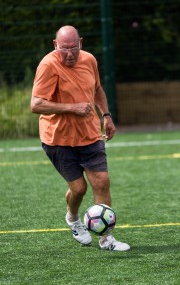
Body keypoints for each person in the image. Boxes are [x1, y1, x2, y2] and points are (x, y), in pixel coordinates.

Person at [31, 25, 130, 251]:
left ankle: (107, 239)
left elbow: (97, 89)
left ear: (81, 43)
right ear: (55, 45)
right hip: (58, 138)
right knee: (79, 188)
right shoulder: (48, 65)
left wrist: (106, 115)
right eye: (63, 49)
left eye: (73, 48)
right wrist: (72, 107)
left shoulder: (89, 60)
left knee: (102, 182)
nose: (68, 54)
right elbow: (36, 104)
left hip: (90, 134)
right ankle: (73, 219)